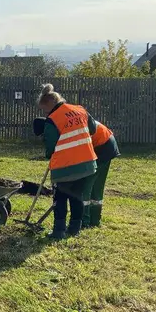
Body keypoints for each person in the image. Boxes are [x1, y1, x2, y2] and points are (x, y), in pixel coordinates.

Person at [37, 83, 98, 239]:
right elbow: (92, 129)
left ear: (49, 104)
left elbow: (50, 147)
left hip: (65, 167)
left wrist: (49, 154)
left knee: (60, 198)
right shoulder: (80, 110)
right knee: (77, 197)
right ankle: (74, 229)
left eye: (44, 109)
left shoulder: (53, 119)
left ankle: (58, 231)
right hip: (86, 164)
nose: (45, 113)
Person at [82, 119, 120, 228]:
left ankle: (84, 221)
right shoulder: (74, 118)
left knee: (86, 184)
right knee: (96, 185)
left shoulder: (72, 129)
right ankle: (94, 220)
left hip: (103, 147)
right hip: (107, 142)